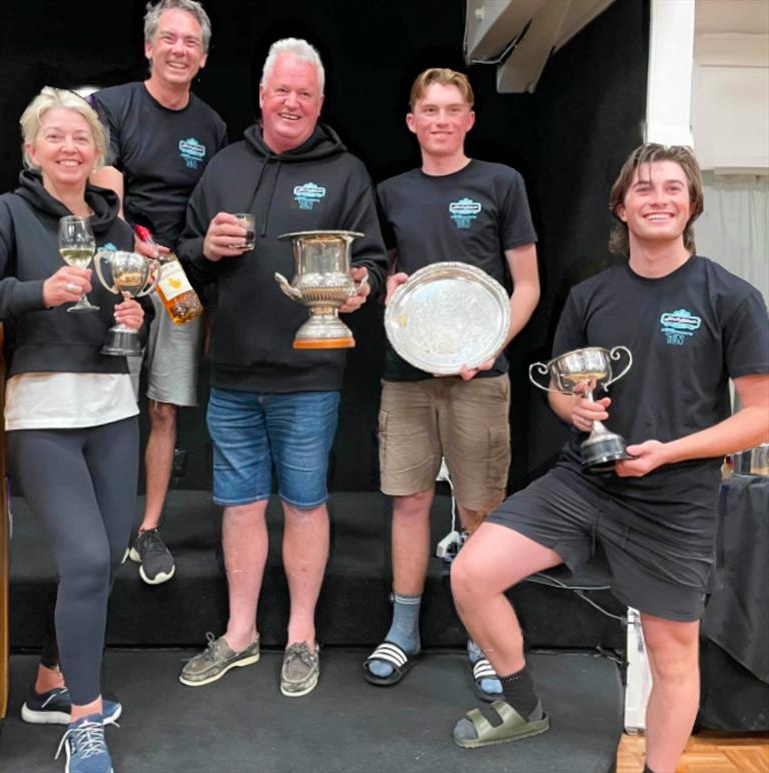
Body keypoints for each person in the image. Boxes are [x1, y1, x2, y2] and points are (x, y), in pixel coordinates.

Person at [448, 144, 769, 772]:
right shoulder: (592, 295)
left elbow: (760, 415)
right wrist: (578, 412)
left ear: (692, 204)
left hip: (675, 501)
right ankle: (521, 705)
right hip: (583, 483)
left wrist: (669, 453)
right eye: (644, 189)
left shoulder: (729, 296)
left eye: (673, 189)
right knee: (472, 573)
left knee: (671, 654)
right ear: (621, 206)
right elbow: (564, 392)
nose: (659, 199)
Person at [175, 37, 387, 697]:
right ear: (262, 96)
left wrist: (361, 286)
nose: (292, 101)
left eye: (305, 93)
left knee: (303, 503)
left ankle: (301, 634)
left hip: (308, 376)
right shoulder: (223, 167)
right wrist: (204, 246)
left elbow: (373, 263)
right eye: (281, 90)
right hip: (233, 370)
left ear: (319, 103)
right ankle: (240, 634)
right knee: (239, 507)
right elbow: (183, 255)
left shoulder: (347, 172)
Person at [0, 87, 145, 772]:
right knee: (85, 560)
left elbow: (129, 308)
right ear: (32, 148)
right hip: (42, 410)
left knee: (103, 556)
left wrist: (135, 320)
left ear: (96, 153)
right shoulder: (6, 214)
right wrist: (33, 293)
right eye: (57, 136)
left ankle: (49, 680)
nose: (70, 147)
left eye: (82, 138)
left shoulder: (119, 230)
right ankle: (84, 720)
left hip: (113, 407)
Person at [363, 68, 540, 699]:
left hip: (480, 374)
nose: (440, 120)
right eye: (428, 110)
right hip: (407, 373)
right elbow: (383, 275)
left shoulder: (501, 183)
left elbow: (527, 286)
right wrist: (386, 288)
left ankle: (482, 636)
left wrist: (488, 347)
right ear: (411, 121)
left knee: (478, 508)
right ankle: (403, 628)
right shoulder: (389, 193)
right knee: (409, 502)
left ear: (469, 119)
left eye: (452, 109)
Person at [90, 0, 227, 585]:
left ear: (202, 57)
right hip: (121, 269)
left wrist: (188, 259)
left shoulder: (212, 127)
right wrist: (129, 245)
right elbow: (106, 190)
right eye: (168, 38)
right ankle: (106, 523)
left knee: (165, 406)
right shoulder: (111, 106)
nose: (178, 49)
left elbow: (210, 208)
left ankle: (147, 528)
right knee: (111, 403)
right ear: (149, 47)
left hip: (179, 281)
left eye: (190, 42)